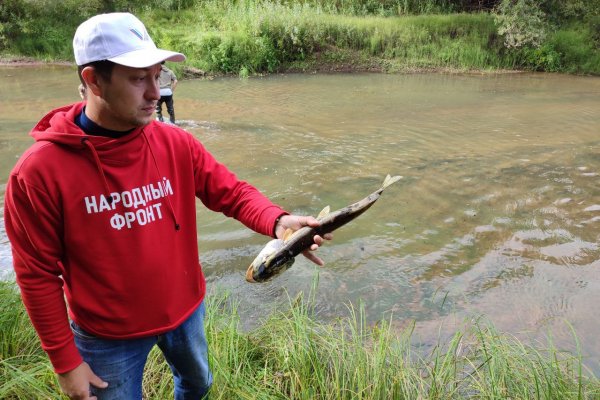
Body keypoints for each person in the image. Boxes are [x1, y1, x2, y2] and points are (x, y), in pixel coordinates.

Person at [4, 12, 331, 400]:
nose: (155, 93)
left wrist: (278, 222)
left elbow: (231, 192)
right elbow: (37, 275)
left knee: (197, 385)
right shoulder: (38, 173)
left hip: (185, 311)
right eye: (138, 78)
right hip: (106, 336)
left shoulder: (175, 143)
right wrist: (66, 363)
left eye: (158, 75)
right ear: (93, 80)